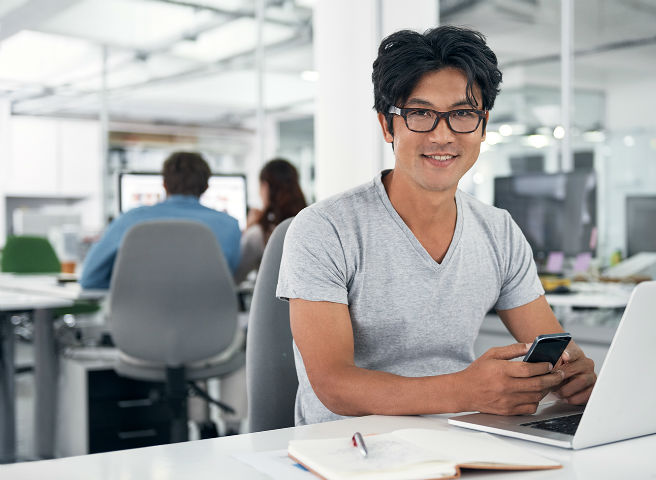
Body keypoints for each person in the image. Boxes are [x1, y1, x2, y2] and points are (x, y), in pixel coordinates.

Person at [276, 26, 597, 426]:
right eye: (421, 113)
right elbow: (334, 384)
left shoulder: (498, 229)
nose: (442, 135)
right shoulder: (324, 229)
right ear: (387, 125)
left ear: (482, 126)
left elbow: (550, 347)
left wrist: (569, 374)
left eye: (462, 114)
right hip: (351, 449)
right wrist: (466, 390)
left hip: (464, 437)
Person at [80, 151, 241, 289]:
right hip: (210, 322)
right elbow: (225, 280)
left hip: (137, 321)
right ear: (206, 187)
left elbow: (89, 279)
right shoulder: (230, 226)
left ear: (164, 184)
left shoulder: (130, 220)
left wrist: (131, 288)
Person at [234, 158, 307, 284]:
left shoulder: (259, 233)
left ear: (265, 186)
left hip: (268, 303)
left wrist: (248, 229)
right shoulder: (310, 224)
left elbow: (236, 277)